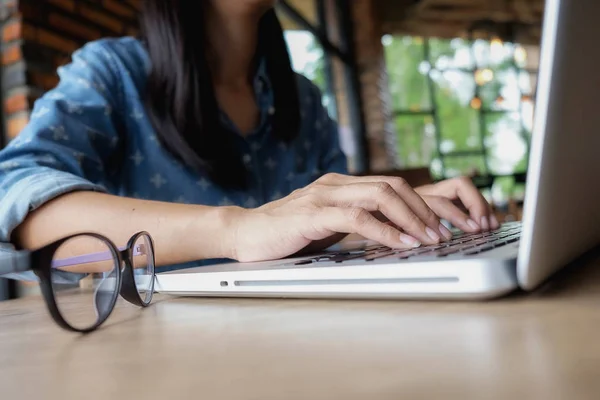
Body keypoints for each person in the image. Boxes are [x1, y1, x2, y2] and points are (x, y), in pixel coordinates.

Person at [0, 0, 498, 273]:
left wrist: (386, 210)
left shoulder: (301, 100)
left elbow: (318, 232)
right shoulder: (115, 72)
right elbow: (14, 196)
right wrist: (237, 229)